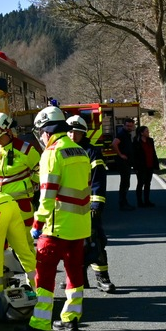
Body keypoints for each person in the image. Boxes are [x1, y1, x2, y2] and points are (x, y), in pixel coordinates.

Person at [17, 106, 92, 331]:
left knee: (45, 275)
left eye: (40, 133)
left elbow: (47, 194)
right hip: (79, 225)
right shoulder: (79, 151)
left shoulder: (52, 153)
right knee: (74, 274)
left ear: (47, 132)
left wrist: (37, 225)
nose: (40, 138)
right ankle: (71, 320)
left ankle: (40, 324)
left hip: (55, 226)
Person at [68, 115, 116, 293]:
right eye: (70, 132)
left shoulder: (92, 152)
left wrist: (96, 205)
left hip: (88, 206)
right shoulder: (63, 150)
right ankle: (78, 279)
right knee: (72, 245)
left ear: (83, 133)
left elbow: (98, 180)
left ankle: (102, 278)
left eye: (77, 132)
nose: (73, 135)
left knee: (95, 242)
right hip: (68, 207)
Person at [0, 112, 41, 227]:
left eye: (0, 137)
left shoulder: (26, 150)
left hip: (21, 204)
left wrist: (31, 181)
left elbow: (41, 171)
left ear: (9, 132)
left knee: (25, 241)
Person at [112, 117, 140, 209]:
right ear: (124, 126)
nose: (129, 127)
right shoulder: (122, 134)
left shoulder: (127, 134)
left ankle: (124, 202)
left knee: (126, 183)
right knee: (124, 183)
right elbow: (114, 144)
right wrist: (120, 155)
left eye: (131, 126)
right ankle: (123, 203)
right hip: (123, 163)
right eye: (127, 126)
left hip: (127, 162)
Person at [136, 125, 158, 207]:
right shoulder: (136, 142)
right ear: (141, 133)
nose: (148, 133)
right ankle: (139, 202)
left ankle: (147, 200)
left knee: (148, 183)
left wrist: (156, 164)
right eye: (146, 131)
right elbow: (135, 156)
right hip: (141, 166)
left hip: (150, 165)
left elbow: (153, 152)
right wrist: (136, 167)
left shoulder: (150, 141)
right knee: (140, 183)